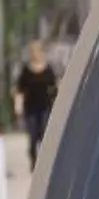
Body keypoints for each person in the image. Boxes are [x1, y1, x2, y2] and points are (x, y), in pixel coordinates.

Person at [13, 41, 57, 170]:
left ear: (41, 53)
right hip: (30, 108)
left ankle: (43, 164)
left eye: (37, 51)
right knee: (33, 136)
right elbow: (19, 89)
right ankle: (33, 162)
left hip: (45, 106)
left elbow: (54, 87)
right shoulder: (26, 71)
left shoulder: (48, 69)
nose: (35, 54)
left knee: (44, 135)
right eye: (33, 52)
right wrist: (18, 107)